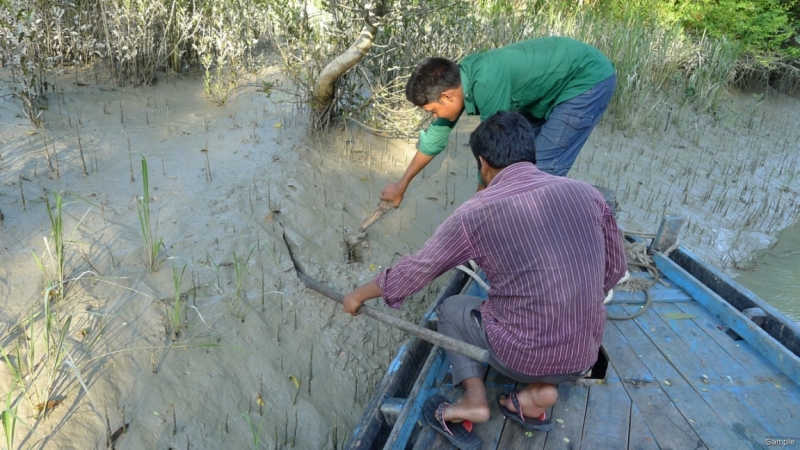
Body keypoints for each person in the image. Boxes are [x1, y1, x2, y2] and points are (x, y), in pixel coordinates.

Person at [344, 111, 627, 449]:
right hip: (583, 356)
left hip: (522, 358)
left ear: (483, 163)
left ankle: (473, 399)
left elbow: (417, 271)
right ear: (530, 152)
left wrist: (358, 295)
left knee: (451, 309)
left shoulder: (474, 213)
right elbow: (614, 271)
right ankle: (536, 395)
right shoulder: (588, 194)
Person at [380, 36, 616, 209]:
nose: (434, 117)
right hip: (552, 85)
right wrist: (401, 185)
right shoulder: (461, 80)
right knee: (519, 164)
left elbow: (492, 156)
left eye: (433, 111)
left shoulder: (486, 83)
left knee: (540, 175)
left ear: (447, 96)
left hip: (586, 80)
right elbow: (434, 138)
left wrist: (475, 210)